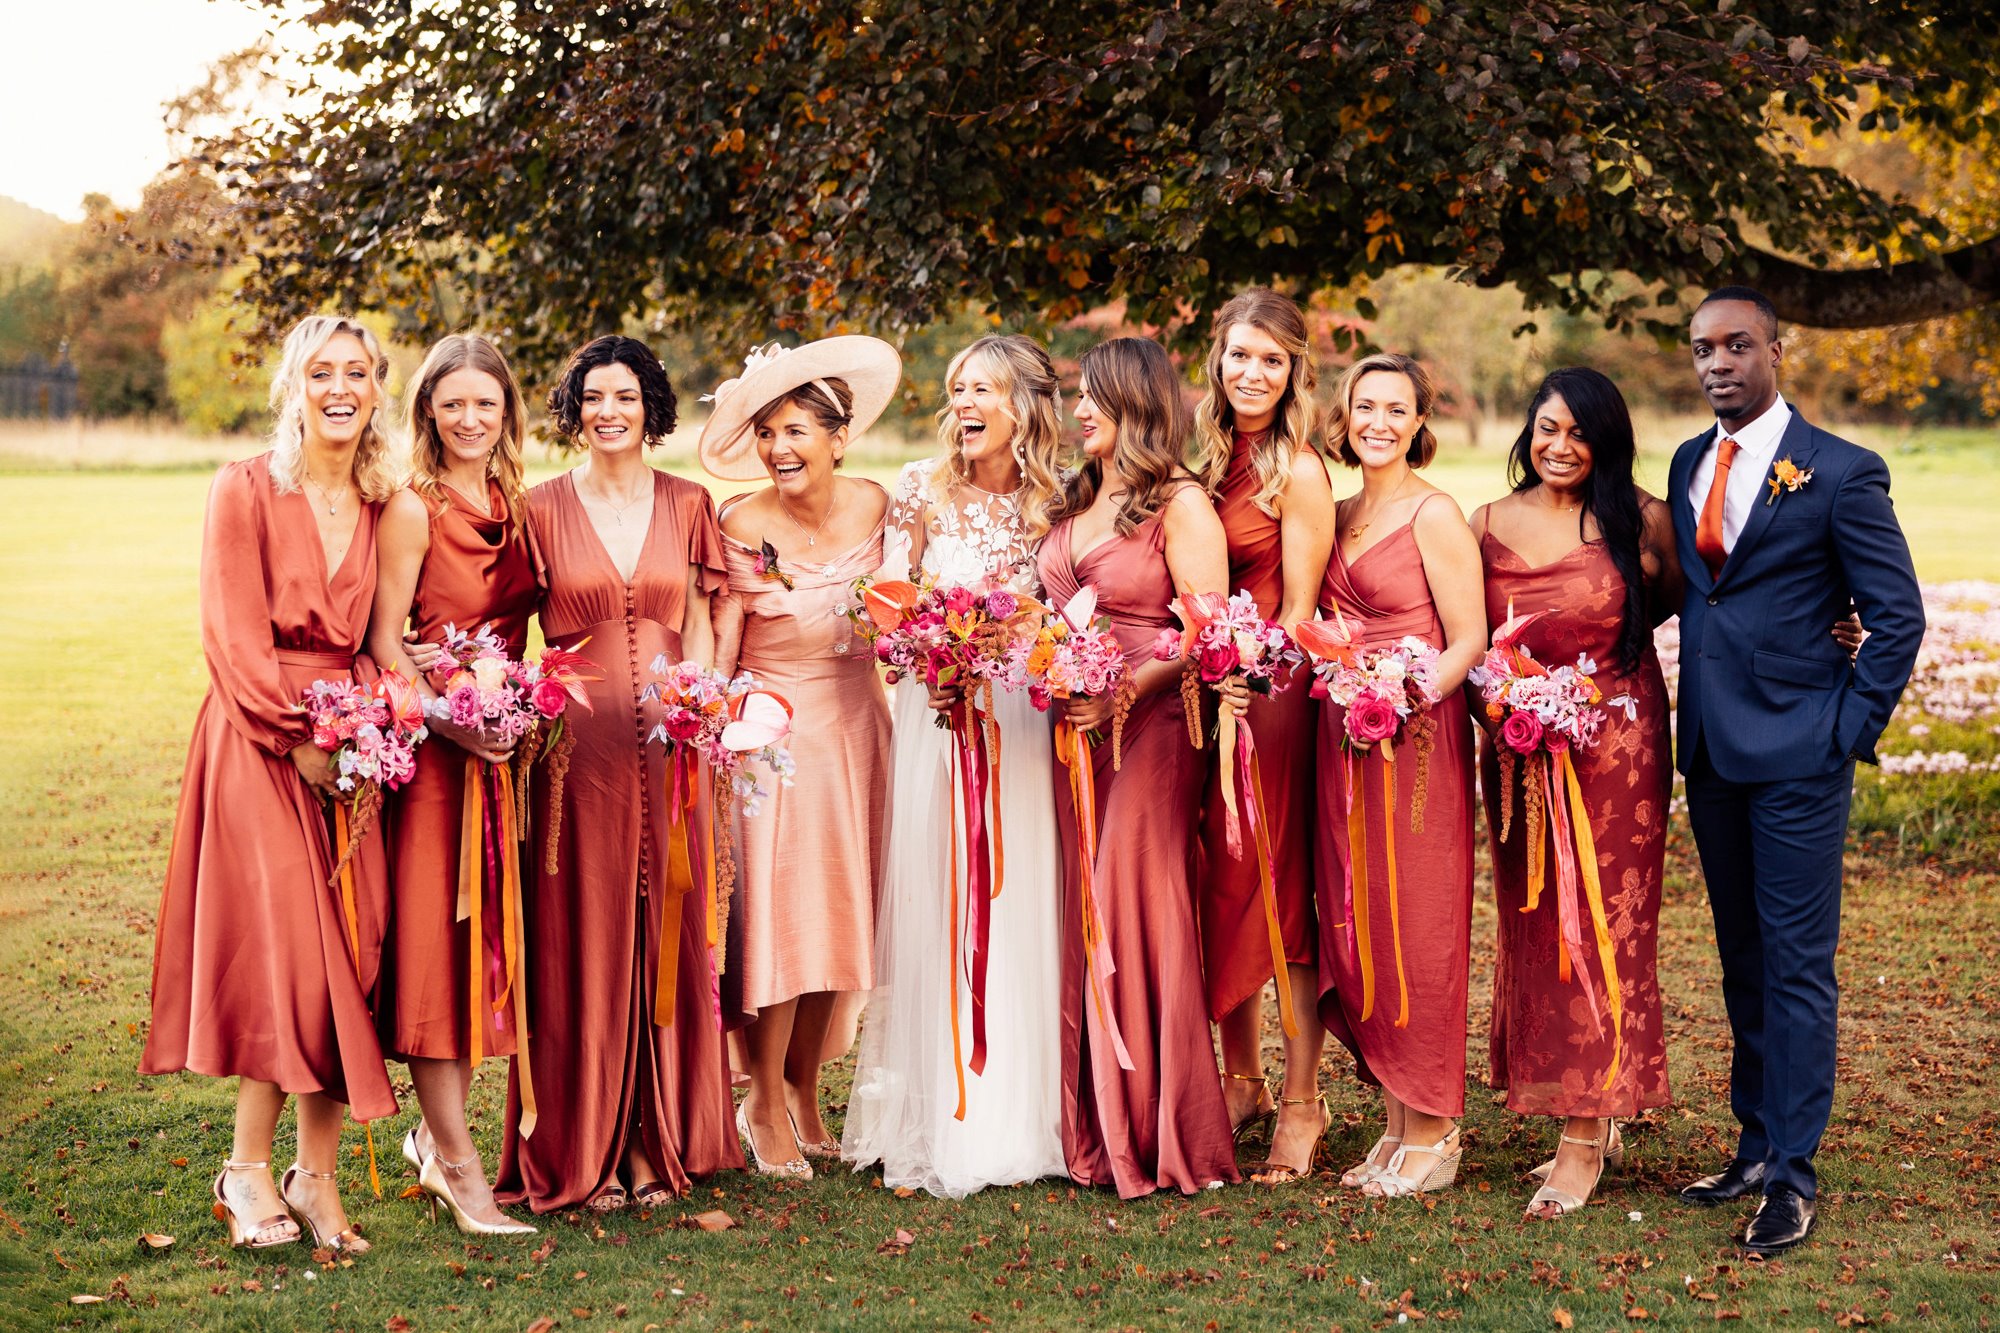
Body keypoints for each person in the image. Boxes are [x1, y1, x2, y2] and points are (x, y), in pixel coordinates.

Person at [1670, 286, 1923, 1254]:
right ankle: (1749, 1143)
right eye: (1701, 348)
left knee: (1795, 965)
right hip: (1711, 753)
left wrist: (1845, 728)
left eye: (1736, 344)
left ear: (1776, 348)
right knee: (1740, 958)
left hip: (1799, 756)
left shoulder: (1839, 471)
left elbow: (1892, 615)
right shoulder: (1690, 460)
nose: (1716, 363)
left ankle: (1790, 1175)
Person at [141, 315, 401, 1254]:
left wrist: (376, 724)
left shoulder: (382, 500)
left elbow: (381, 640)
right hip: (260, 742)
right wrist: (300, 741)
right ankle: (247, 1170)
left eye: (357, 372)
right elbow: (231, 633)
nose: (340, 387)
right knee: (294, 952)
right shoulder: (244, 487)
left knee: (356, 952)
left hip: (356, 750)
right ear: (295, 385)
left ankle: (315, 1180)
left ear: (377, 387)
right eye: (321, 372)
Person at [493, 335, 743, 1212]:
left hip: (674, 753)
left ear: (651, 407)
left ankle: (656, 1139)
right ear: (572, 407)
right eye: (593, 397)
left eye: (626, 397)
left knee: (668, 929)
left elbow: (709, 615)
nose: (609, 411)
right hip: (576, 764)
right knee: (585, 942)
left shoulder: (688, 502)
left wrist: (703, 703)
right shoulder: (537, 507)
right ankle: (587, 1144)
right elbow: (502, 633)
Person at [841, 334, 1070, 1196]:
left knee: (1018, 902)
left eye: (985, 388)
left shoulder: (1059, 502)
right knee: (944, 898)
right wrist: (931, 655)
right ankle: (945, 1111)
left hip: (1025, 723)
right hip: (940, 720)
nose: (965, 402)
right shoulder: (918, 492)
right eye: (957, 388)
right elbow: (888, 610)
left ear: (1024, 405)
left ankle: (1024, 1109)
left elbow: (1071, 614)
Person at [1036, 336, 1242, 1199]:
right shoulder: (1079, 495)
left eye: (1094, 397)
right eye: (1080, 397)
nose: (1080, 410)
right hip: (1073, 731)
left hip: (1151, 728)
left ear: (1136, 404)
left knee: (1134, 902)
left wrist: (1117, 688)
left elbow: (1204, 629)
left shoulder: (1182, 506)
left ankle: (1165, 1129)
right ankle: (1090, 1119)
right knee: (1083, 903)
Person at [1469, 367, 1677, 1218]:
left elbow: (1665, 607)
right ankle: (1577, 1093)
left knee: (1607, 924)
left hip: (1618, 745)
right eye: (1547, 427)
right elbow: (1463, 632)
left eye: (1579, 432)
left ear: (1607, 440)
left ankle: (1586, 1133)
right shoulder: (1485, 523)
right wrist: (1510, 700)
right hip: (1518, 747)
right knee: (1535, 925)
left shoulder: (1644, 519)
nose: (1560, 445)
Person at [704, 337, 901, 1179]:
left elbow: (907, 613)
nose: (779, 449)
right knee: (783, 921)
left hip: (860, 723)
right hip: (771, 733)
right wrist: (706, 725)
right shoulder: (739, 524)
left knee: (844, 916)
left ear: (838, 436)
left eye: (795, 432)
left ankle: (806, 1087)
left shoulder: (883, 506)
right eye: (767, 434)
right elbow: (721, 642)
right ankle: (761, 1097)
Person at [366, 335, 538, 1235]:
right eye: (451, 405)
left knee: (483, 956)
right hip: (437, 758)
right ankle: (461, 1169)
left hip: (504, 751)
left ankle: (437, 1147)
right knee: (437, 952)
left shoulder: (518, 504)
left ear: (507, 410)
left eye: (487, 404)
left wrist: (514, 706)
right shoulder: (411, 508)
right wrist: (446, 714)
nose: (470, 420)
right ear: (427, 411)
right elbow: (384, 639)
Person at [1312, 352, 1485, 1198]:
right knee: (1356, 918)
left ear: (1420, 423)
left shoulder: (1435, 514)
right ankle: (1393, 1119)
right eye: (1364, 406)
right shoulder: (1337, 513)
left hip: (1414, 739)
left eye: (1397, 409)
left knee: (1416, 918)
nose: (1378, 422)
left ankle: (1435, 1126)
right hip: (1338, 737)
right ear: (1343, 416)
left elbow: (1470, 637)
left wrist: (1406, 691)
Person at [1187, 289, 1335, 1184]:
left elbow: (1304, 610)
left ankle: (1306, 1097)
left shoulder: (1300, 471)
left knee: (1274, 887)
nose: (1253, 372)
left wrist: (1249, 671)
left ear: (1292, 374)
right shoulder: (1198, 457)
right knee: (1214, 881)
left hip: (1271, 701)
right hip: (1204, 700)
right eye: (1241, 355)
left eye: (1272, 360)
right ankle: (1242, 1079)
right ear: (1218, 358)